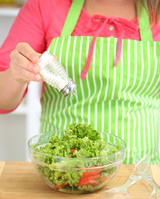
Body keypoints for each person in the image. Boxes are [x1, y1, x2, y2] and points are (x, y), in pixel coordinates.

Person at [0, 0, 160, 164]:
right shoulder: (44, 6)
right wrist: (16, 74)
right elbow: (3, 100)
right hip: (60, 169)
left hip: (141, 174)